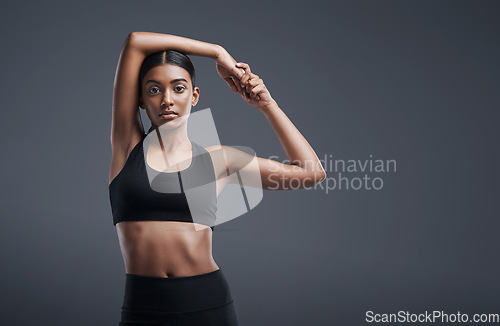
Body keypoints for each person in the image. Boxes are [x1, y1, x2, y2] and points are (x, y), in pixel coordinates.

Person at [108, 31, 327, 326]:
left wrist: (267, 106)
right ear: (141, 100)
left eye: (179, 88)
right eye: (155, 90)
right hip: (142, 306)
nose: (167, 99)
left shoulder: (219, 160)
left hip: (206, 304)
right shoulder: (127, 148)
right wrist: (216, 52)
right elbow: (135, 41)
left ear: (194, 96)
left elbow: (310, 173)